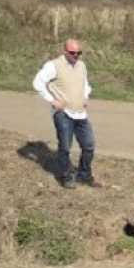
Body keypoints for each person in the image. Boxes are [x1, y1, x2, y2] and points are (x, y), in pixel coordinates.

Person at [32, 39, 99, 189]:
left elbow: (85, 84)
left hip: (81, 113)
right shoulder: (53, 65)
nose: (76, 56)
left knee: (89, 145)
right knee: (65, 147)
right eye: (73, 53)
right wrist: (52, 100)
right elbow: (38, 82)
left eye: (79, 53)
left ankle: (84, 175)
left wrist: (85, 96)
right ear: (65, 52)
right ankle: (66, 176)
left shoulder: (82, 65)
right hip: (63, 113)